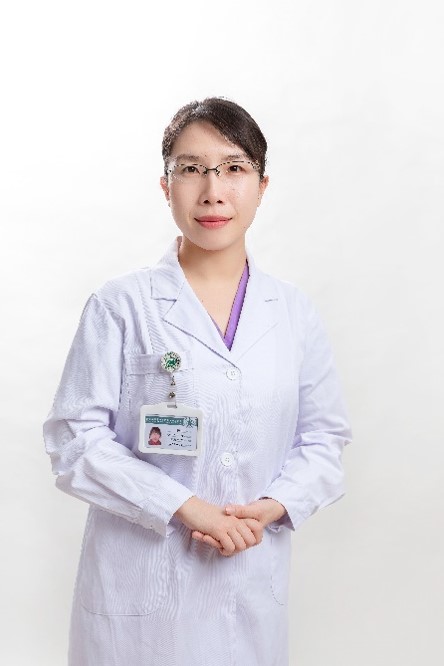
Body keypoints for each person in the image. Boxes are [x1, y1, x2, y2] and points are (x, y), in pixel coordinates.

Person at [43, 97, 351, 666]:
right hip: (139, 595)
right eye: (191, 168)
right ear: (166, 187)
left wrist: (274, 505)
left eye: (234, 168)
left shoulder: (292, 312)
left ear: (261, 185)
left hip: (249, 584)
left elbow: (324, 440)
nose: (213, 191)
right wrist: (183, 505)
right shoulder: (121, 305)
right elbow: (74, 440)